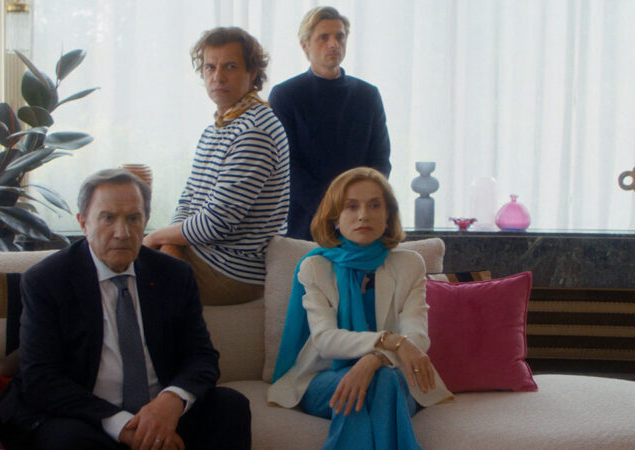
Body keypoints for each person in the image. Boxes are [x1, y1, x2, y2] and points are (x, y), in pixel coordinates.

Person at [0, 168, 251, 450]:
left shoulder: (174, 275)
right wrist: (124, 426)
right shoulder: (47, 280)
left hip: (161, 413)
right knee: (66, 442)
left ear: (146, 221)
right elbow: (40, 378)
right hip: (89, 417)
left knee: (230, 406)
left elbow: (201, 356)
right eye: (108, 218)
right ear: (83, 223)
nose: (122, 233)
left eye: (133, 218)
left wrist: (171, 401)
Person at [268, 167, 452, 450]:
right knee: (382, 383)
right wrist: (389, 341)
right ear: (335, 218)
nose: (363, 215)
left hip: (394, 376)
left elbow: (417, 336)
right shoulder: (315, 267)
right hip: (324, 378)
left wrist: (372, 360)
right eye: (351, 206)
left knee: (383, 379)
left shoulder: (409, 265)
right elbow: (326, 340)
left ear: (388, 216)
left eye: (374, 205)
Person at [143, 27, 289, 306]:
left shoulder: (255, 129)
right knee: (122, 263)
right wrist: (167, 243)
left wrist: (156, 238)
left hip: (233, 270)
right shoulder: (218, 128)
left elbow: (216, 222)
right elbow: (188, 199)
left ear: (253, 73)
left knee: (125, 272)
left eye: (230, 66)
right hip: (207, 255)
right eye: (210, 67)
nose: (217, 76)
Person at [269, 6, 391, 241]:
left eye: (339, 36)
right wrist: (332, 211)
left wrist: (360, 207)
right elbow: (287, 166)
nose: (334, 44)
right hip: (305, 223)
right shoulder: (285, 95)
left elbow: (380, 159)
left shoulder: (367, 95)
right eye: (324, 37)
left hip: (362, 221)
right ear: (305, 45)